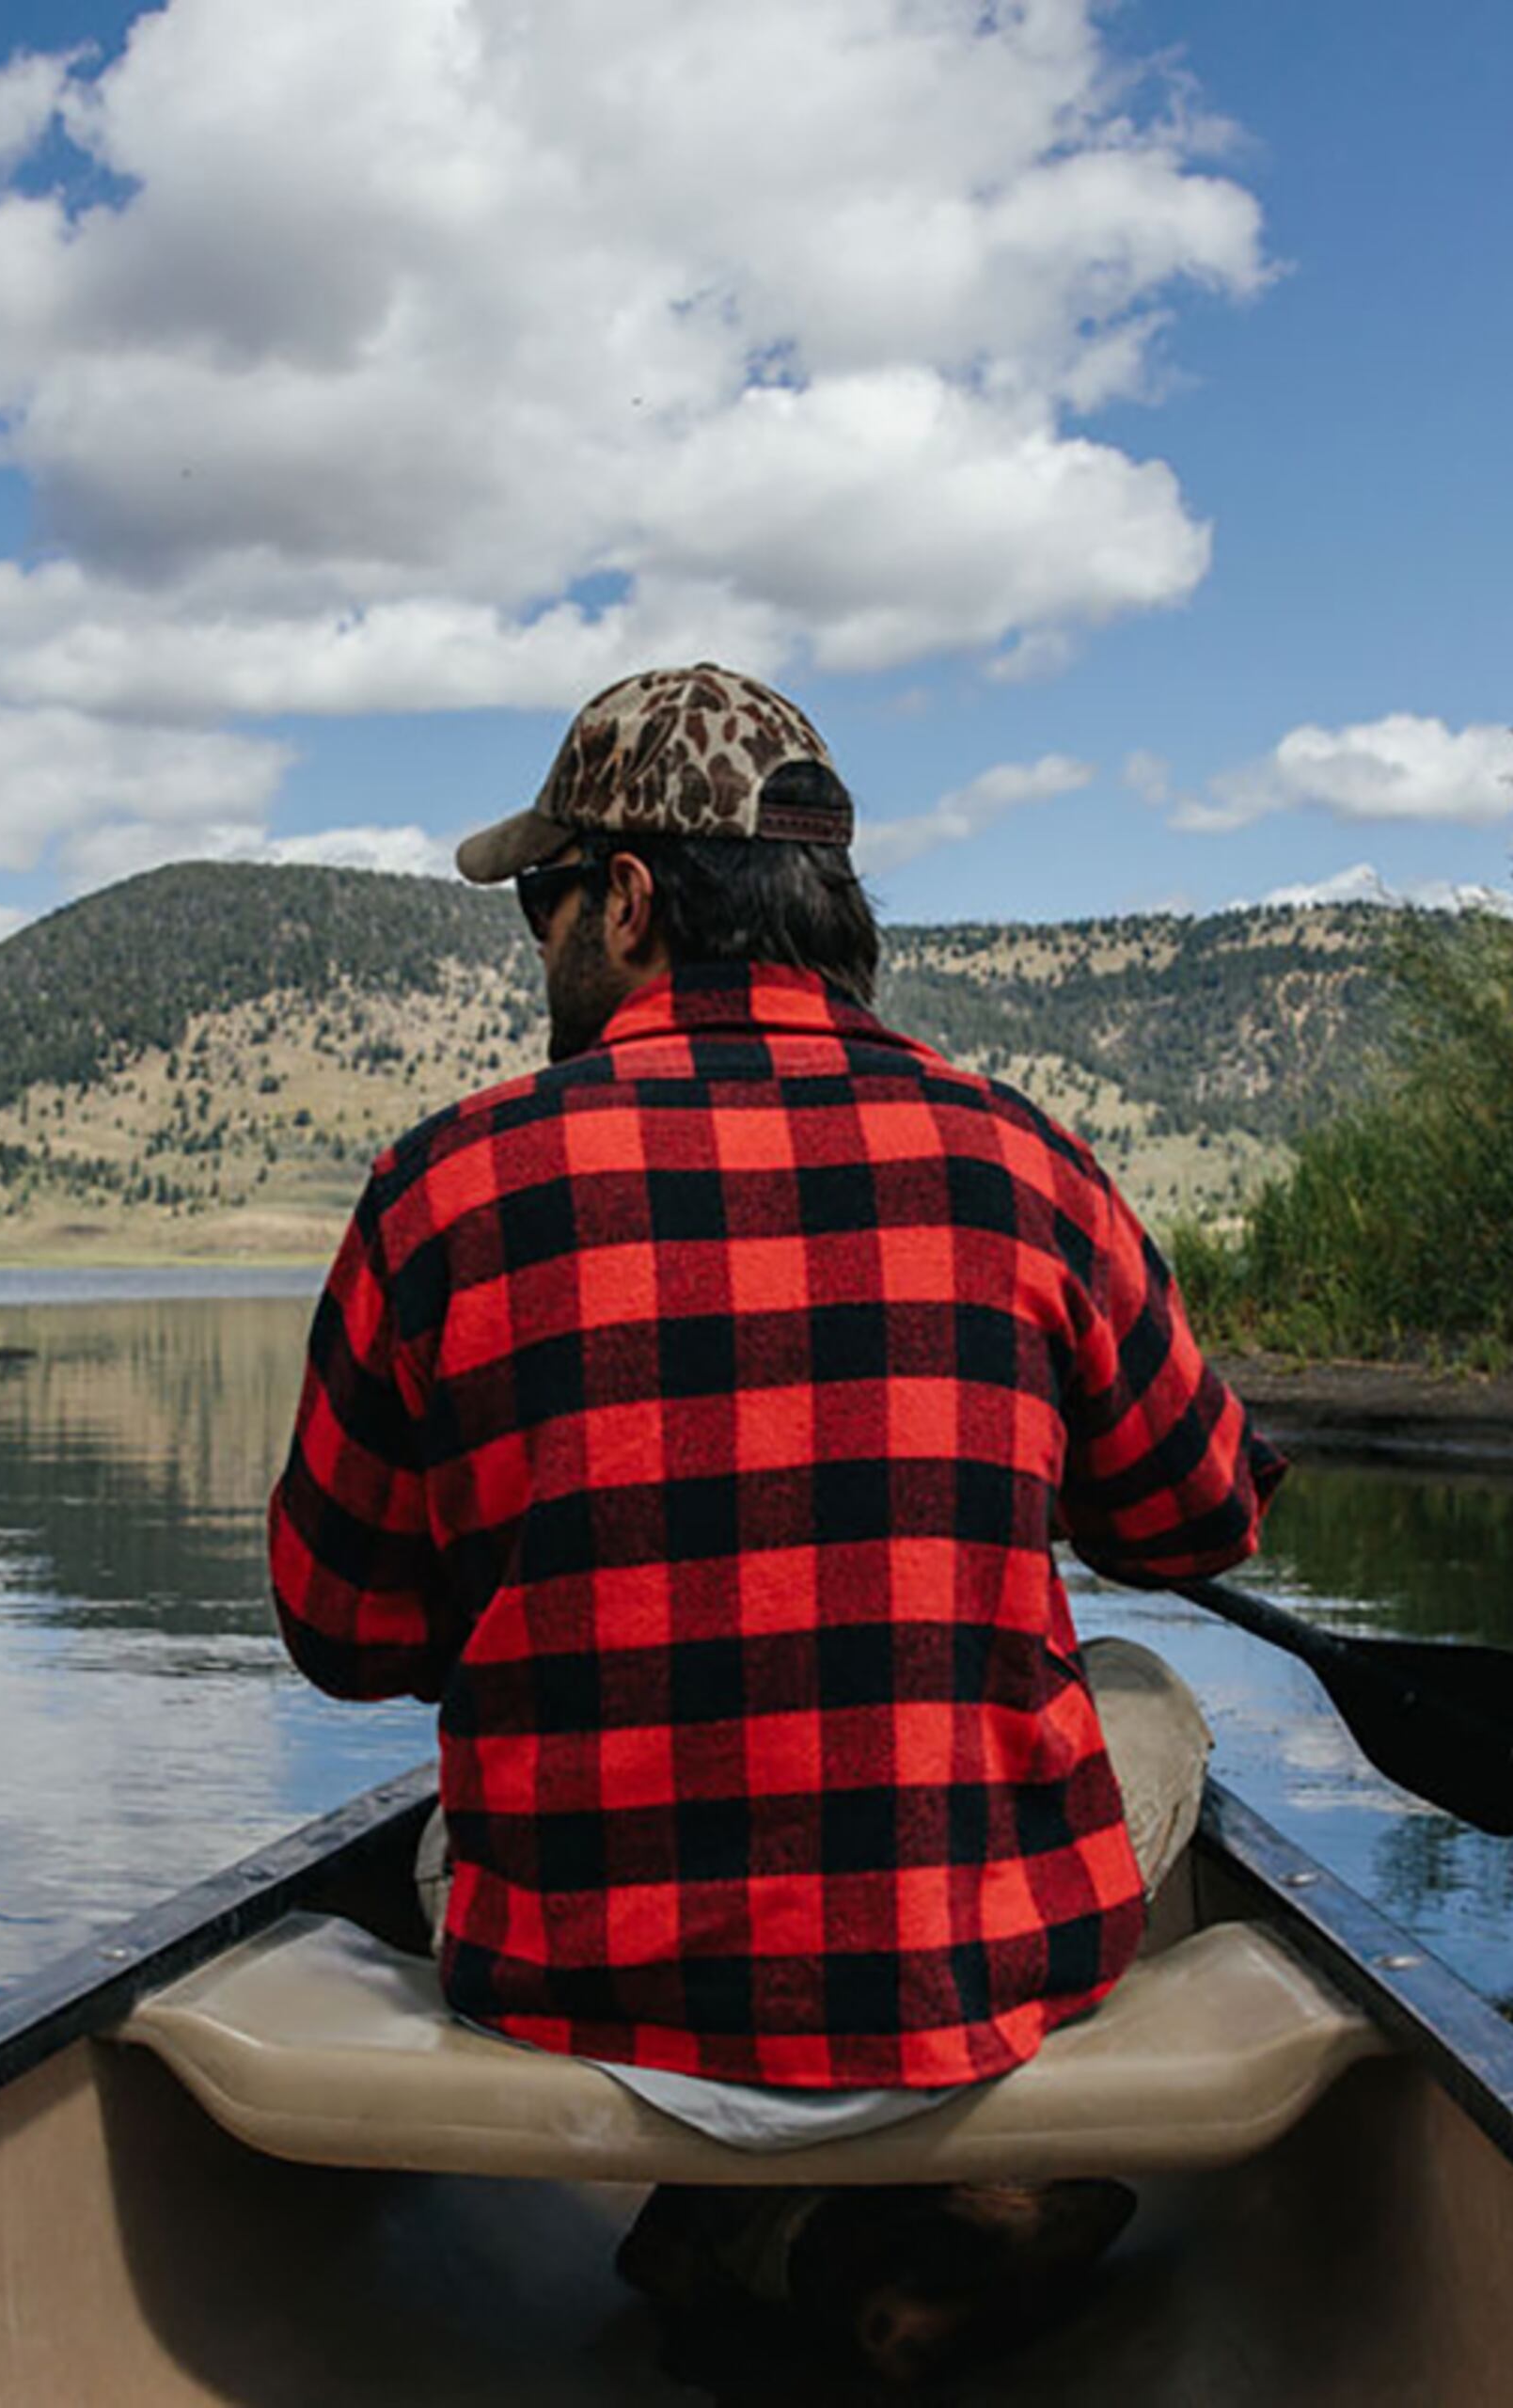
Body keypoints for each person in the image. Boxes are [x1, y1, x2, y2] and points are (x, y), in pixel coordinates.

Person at [267, 664, 1284, 2381]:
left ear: (631, 900)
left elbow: (343, 1640)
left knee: (466, 1808)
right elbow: (1198, 1526)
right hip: (969, 1975)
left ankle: (761, 2230)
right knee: (1142, 1689)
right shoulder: (1026, 1163)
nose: (540, 942)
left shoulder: (440, 1189)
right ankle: (881, 2221)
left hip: (574, 1991)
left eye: (542, 900)